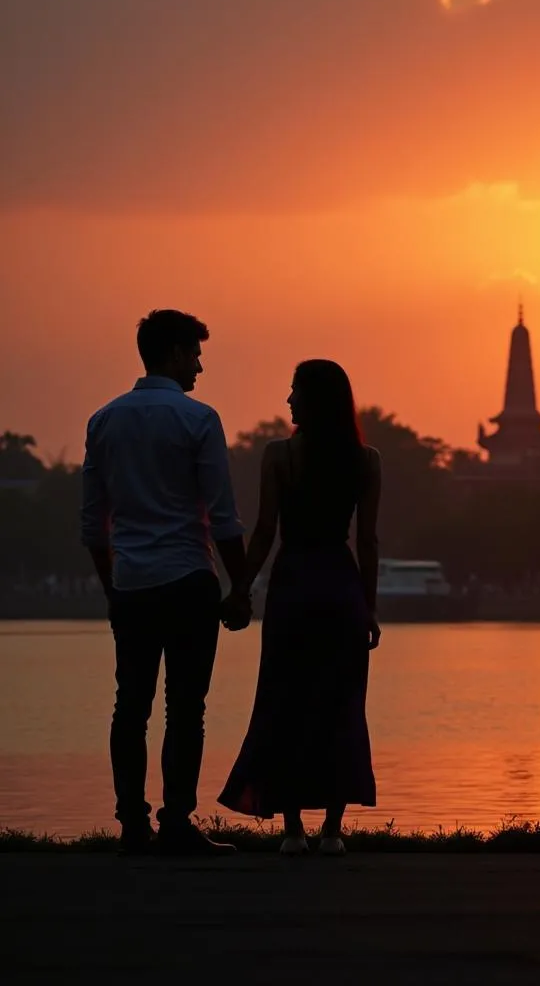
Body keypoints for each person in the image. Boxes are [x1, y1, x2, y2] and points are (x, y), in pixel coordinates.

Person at [81, 309, 251, 857]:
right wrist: (241, 585)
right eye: (196, 354)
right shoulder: (198, 419)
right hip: (187, 579)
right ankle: (176, 819)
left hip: (132, 584)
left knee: (129, 706)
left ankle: (132, 823)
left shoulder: (103, 421)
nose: (200, 366)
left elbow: (93, 523)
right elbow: (222, 517)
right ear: (176, 353)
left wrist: (113, 588)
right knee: (186, 708)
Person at [217, 359, 381, 855]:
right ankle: (333, 829)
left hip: (293, 587)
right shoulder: (366, 459)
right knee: (340, 703)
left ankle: (292, 829)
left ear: (312, 400)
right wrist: (369, 607)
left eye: (294, 393)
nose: (288, 401)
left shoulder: (279, 457)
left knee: (285, 700)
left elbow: (265, 531)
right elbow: (367, 540)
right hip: (340, 587)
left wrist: (241, 587)